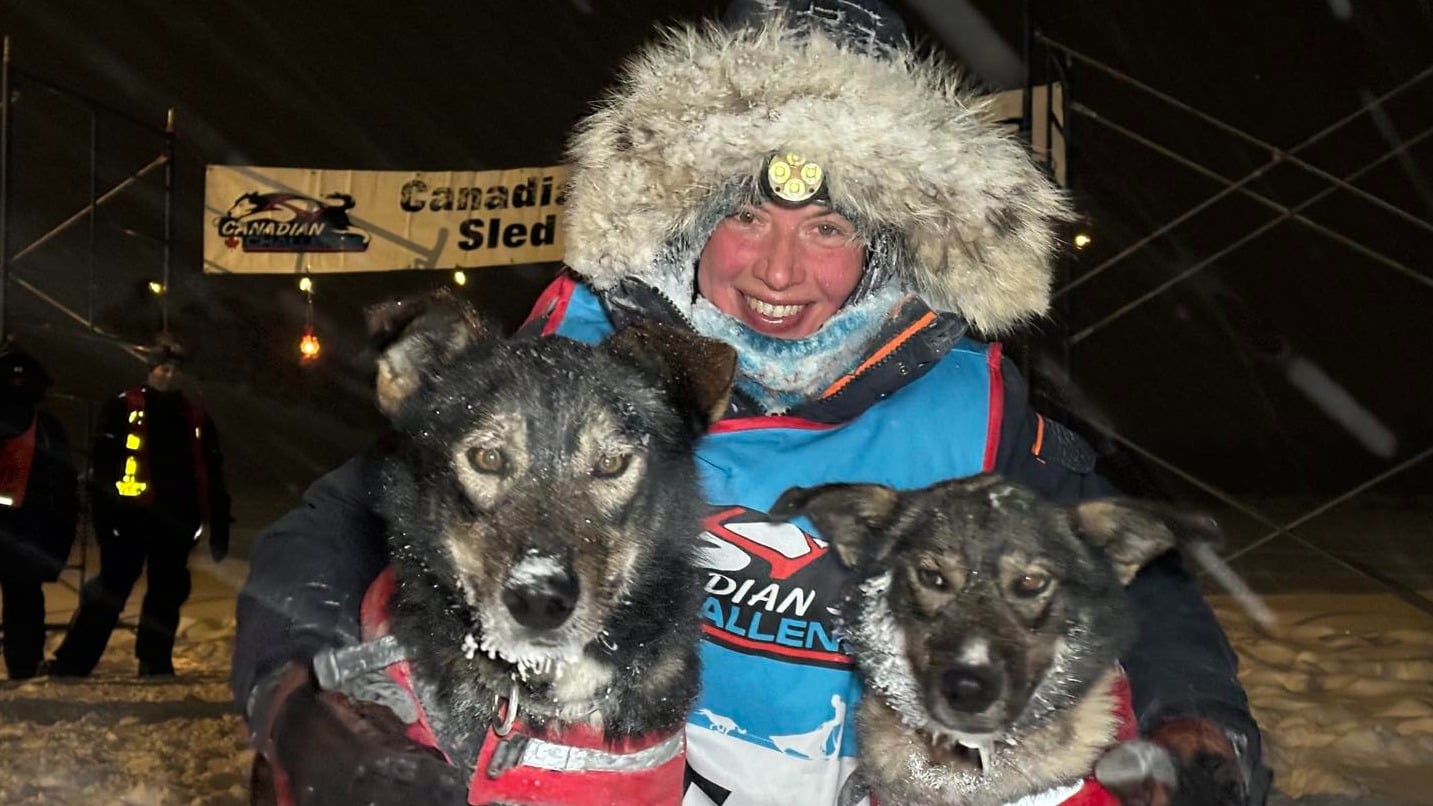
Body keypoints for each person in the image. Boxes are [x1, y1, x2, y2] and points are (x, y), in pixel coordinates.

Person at [234, 1, 1271, 804]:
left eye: (827, 224)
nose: (778, 266)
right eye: (741, 213)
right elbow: (345, 522)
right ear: (685, 217)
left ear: (889, 239)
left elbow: (1136, 581)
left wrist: (1200, 727)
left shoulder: (969, 407)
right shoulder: (575, 358)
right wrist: (294, 702)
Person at [51, 333, 230, 677]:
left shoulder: (194, 416)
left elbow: (212, 470)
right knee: (110, 590)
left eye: (174, 368)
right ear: (150, 369)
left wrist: (218, 524)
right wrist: (105, 517)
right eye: (162, 367)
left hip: (175, 521)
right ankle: (73, 662)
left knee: (166, 594)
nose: (168, 374)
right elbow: (103, 465)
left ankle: (155, 661)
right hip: (128, 519)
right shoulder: (123, 406)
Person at [0, 345, 78, 680]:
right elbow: (64, 491)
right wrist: (58, 544)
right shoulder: (47, 427)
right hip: (28, 532)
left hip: (21, 529)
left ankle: (24, 664)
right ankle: (24, 665)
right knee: (25, 600)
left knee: (24, 598)